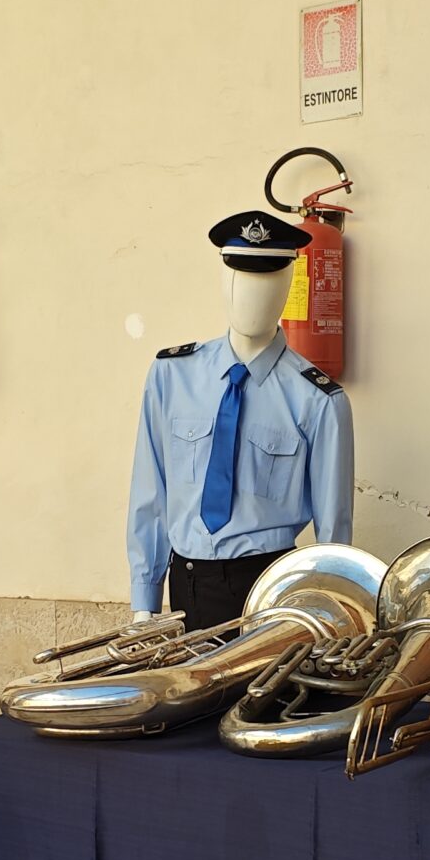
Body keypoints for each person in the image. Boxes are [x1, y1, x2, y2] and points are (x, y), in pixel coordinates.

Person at [127, 212, 355, 631]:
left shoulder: (317, 399)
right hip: (187, 582)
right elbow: (151, 492)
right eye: (241, 277)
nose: (251, 295)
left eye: (267, 280)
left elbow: (334, 532)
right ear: (224, 279)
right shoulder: (171, 376)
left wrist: (330, 611)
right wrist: (145, 600)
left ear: (286, 285)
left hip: (268, 585)